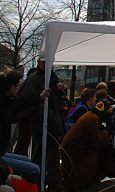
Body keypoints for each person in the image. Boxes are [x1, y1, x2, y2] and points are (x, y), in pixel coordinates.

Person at [21, 54, 65, 192]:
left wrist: (59, 91)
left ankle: (50, 186)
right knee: (39, 158)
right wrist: (44, 110)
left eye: (49, 62)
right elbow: (28, 103)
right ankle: (35, 186)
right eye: (44, 62)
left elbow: (56, 102)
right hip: (41, 126)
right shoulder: (34, 79)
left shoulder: (52, 78)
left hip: (53, 126)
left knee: (52, 160)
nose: (47, 65)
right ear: (39, 62)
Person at [0, 70, 49, 184]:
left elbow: (22, 102)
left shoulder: (7, 101)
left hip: (2, 152)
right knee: (34, 170)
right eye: (17, 86)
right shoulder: (4, 105)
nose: (18, 89)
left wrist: (39, 97)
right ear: (11, 86)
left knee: (28, 160)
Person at [61, 100, 114, 191]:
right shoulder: (93, 119)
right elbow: (96, 141)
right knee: (93, 158)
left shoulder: (91, 115)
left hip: (73, 150)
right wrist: (107, 131)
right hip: (76, 152)